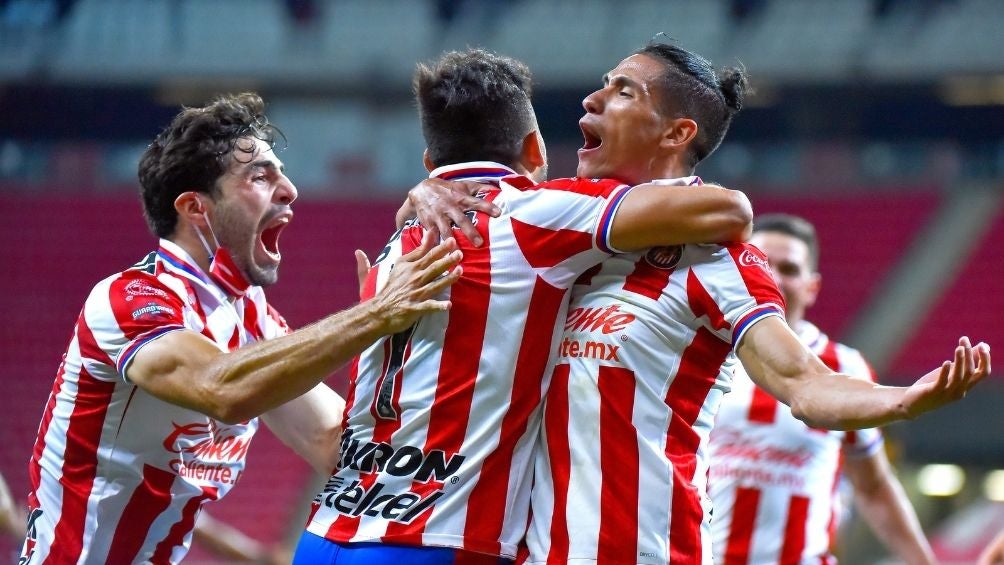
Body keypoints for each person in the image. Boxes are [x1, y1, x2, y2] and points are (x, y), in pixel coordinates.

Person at [406, 43, 989, 565]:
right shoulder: (557, 229)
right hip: (532, 552)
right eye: (604, 84)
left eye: (623, 91)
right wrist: (430, 186)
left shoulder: (717, 260)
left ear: (676, 134)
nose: (592, 99)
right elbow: (474, 191)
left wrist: (902, 400)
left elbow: (803, 382)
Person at [295, 48, 756, 565]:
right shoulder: (531, 213)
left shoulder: (394, 247)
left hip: (326, 531)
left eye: (621, 90)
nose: (594, 100)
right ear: (535, 149)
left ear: (430, 164)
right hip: (435, 537)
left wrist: (423, 191)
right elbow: (728, 209)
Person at [19, 92, 464, 564]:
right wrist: (374, 316)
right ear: (196, 208)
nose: (290, 190)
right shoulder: (130, 298)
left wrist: (431, 205)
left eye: (281, 173)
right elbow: (220, 387)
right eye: (260, 176)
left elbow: (336, 441)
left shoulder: (252, 317)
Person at [707, 213, 935, 564]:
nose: (774, 278)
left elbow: (873, 486)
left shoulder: (844, 366)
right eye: (762, 264)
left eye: (789, 269)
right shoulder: (703, 355)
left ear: (811, 288)